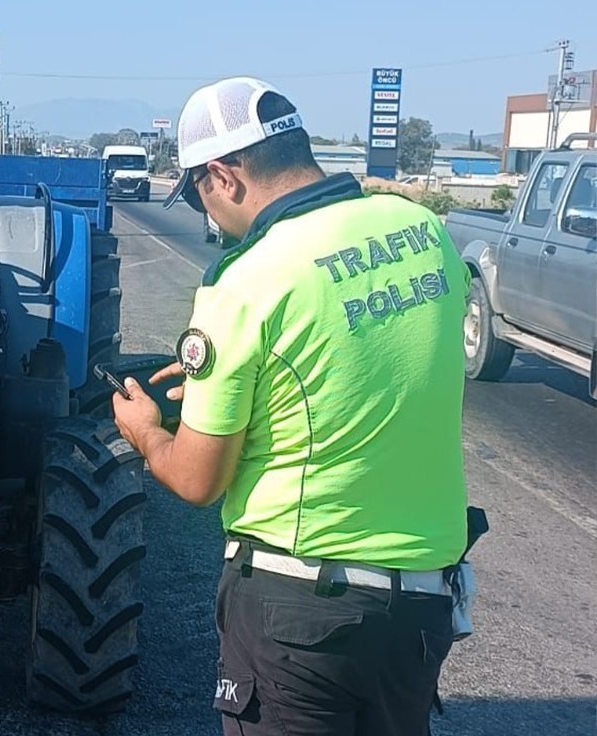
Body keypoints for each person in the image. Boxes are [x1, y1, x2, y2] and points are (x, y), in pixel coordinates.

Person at [111, 76, 470, 736]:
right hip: (421, 603)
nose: (207, 214)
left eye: (198, 195)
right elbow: (376, 362)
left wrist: (147, 432)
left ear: (223, 175)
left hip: (299, 614)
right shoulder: (422, 231)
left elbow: (197, 480)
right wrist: (250, 393)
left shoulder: (247, 280)